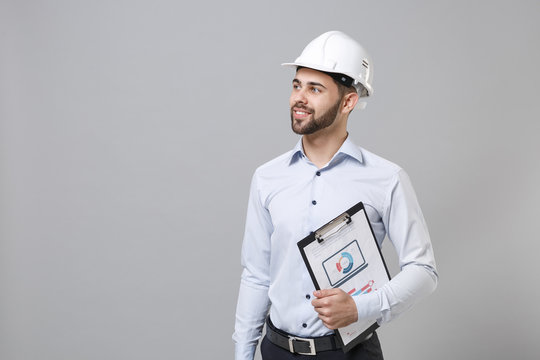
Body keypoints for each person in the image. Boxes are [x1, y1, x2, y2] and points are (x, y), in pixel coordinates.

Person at [233, 31, 438, 360]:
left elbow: (423, 270)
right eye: (297, 85)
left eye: (315, 89)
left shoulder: (386, 179)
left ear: (347, 102)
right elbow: (256, 275)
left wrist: (360, 308)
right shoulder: (267, 178)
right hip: (277, 351)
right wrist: (242, 354)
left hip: (350, 352)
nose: (299, 98)